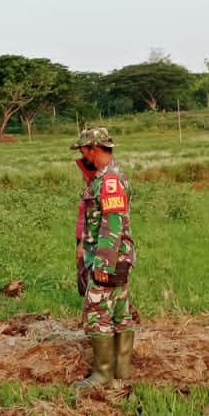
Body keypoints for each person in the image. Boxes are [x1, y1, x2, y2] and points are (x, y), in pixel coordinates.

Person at [69, 127, 137, 388]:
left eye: (84, 150)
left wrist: (103, 262)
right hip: (119, 256)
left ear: (94, 149)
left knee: (98, 313)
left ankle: (102, 374)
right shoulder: (106, 177)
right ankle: (122, 370)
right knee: (120, 310)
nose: (82, 156)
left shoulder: (110, 181)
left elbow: (113, 221)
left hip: (110, 257)